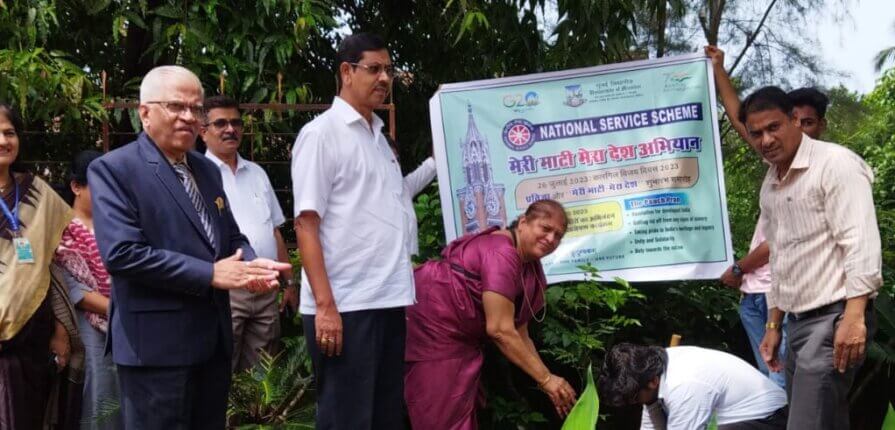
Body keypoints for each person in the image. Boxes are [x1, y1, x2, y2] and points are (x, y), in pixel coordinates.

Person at [88, 66, 291, 429]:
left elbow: (230, 236)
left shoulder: (205, 169)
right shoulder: (115, 170)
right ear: (145, 112)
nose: (188, 117)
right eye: (175, 106)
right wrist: (211, 273)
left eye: (195, 109)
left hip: (212, 343)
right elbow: (122, 254)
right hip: (156, 349)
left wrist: (252, 268)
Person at [737, 86, 882, 429]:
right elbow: (782, 259)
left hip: (834, 317)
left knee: (805, 423)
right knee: (826, 421)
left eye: (774, 127)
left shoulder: (836, 165)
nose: (766, 140)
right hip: (797, 323)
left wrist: (855, 316)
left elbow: (859, 242)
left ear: (794, 121)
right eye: (756, 133)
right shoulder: (771, 183)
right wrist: (774, 324)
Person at [291, 33, 414, 429]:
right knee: (348, 419)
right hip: (345, 306)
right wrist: (326, 307)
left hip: (387, 297)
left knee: (383, 416)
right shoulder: (321, 134)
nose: (384, 78)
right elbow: (306, 225)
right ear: (347, 71)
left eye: (388, 70)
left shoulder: (379, 137)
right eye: (374, 69)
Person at [706, 46, 832, 389]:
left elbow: (781, 242)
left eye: (808, 123)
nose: (801, 130)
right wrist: (719, 69)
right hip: (756, 297)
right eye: (797, 120)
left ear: (819, 125)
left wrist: (738, 268)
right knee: (770, 384)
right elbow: (740, 119)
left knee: (784, 387)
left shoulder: (822, 174)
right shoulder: (776, 166)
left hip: (789, 297)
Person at [405, 200, 577, 429]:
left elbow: (520, 334)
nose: (551, 239)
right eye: (545, 229)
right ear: (524, 222)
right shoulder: (501, 253)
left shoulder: (529, 265)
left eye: (558, 235)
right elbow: (499, 330)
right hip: (433, 329)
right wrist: (546, 379)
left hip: (463, 341)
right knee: (442, 418)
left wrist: (549, 380)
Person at [0, 102, 83, 429]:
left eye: (9, 132)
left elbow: (52, 268)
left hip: (32, 339)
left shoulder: (36, 192)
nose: (4, 141)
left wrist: (62, 330)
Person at [200, 95, 298, 372]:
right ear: (202, 131)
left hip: (266, 288)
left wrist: (289, 283)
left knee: (262, 375)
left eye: (235, 122)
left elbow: (274, 230)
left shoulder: (257, 173)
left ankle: (256, 419)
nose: (230, 129)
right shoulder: (197, 174)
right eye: (220, 123)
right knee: (221, 370)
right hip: (226, 290)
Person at [53, 149, 123, 429]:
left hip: (125, 323)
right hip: (88, 325)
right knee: (99, 395)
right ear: (76, 187)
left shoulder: (118, 224)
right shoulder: (62, 228)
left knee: (125, 397)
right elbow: (70, 287)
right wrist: (120, 310)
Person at [599, 343, 788, 430]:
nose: (635, 403)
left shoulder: (684, 385)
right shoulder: (655, 367)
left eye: (634, 398)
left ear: (653, 381)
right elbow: (651, 423)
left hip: (771, 419)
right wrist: (651, 406)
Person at [383, 133, 436, 257]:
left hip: (410, 270)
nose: (396, 165)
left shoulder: (404, 188)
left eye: (397, 160)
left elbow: (433, 163)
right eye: (391, 161)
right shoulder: (368, 198)